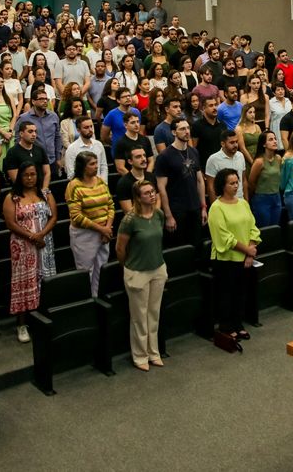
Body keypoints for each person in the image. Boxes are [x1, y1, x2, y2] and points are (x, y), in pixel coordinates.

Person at [115, 180, 168, 371]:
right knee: (139, 316)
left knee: (154, 313)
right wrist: (129, 266)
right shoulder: (129, 220)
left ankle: (154, 353)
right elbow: (120, 249)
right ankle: (140, 356)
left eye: (153, 192)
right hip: (137, 272)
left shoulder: (159, 215)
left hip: (157, 269)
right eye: (147, 193)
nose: (152, 195)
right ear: (137, 197)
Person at [2, 161, 57, 343]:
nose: (30, 178)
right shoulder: (12, 197)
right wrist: (32, 236)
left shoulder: (45, 193)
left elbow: (54, 216)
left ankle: (42, 320)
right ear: (20, 177)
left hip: (45, 243)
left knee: (45, 281)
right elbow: (10, 223)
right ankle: (22, 324)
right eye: (26, 175)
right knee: (25, 283)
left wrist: (41, 234)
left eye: (33, 174)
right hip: (23, 246)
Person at [208, 168, 262, 341]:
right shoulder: (216, 208)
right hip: (226, 259)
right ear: (222, 186)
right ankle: (226, 326)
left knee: (241, 293)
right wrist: (247, 250)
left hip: (245, 258)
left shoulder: (243, 203)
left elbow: (253, 227)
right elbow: (224, 238)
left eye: (237, 182)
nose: (236, 185)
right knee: (227, 294)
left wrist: (250, 253)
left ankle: (238, 324)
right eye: (231, 183)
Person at [66, 151, 114, 297]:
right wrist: (102, 229)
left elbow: (110, 205)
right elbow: (76, 216)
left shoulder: (100, 181)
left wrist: (107, 228)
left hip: (103, 232)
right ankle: (87, 303)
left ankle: (98, 299)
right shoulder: (74, 186)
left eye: (96, 163)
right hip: (84, 235)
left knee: (101, 270)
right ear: (83, 167)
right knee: (86, 272)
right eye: (92, 164)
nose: (96, 166)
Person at [156, 118, 208, 248]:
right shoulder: (165, 156)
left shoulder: (194, 151)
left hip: (194, 207)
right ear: (174, 132)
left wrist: (203, 207)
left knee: (197, 244)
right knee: (180, 247)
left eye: (188, 128)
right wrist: (168, 215)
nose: (187, 132)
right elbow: (161, 188)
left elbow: (200, 181)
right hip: (177, 209)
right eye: (182, 129)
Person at [248, 130, 283, 227]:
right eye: (271, 140)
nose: (275, 141)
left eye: (275, 139)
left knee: (275, 226)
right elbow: (251, 182)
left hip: (276, 196)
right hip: (262, 198)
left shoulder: (279, 158)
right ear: (264, 144)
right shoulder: (259, 162)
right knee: (265, 228)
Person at [204, 129, 247, 202]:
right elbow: (210, 187)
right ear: (223, 144)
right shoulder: (213, 159)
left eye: (236, 142)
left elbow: (243, 181)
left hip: (240, 201)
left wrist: (246, 201)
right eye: (232, 142)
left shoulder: (241, 156)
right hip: (223, 204)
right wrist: (215, 207)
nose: (236, 145)